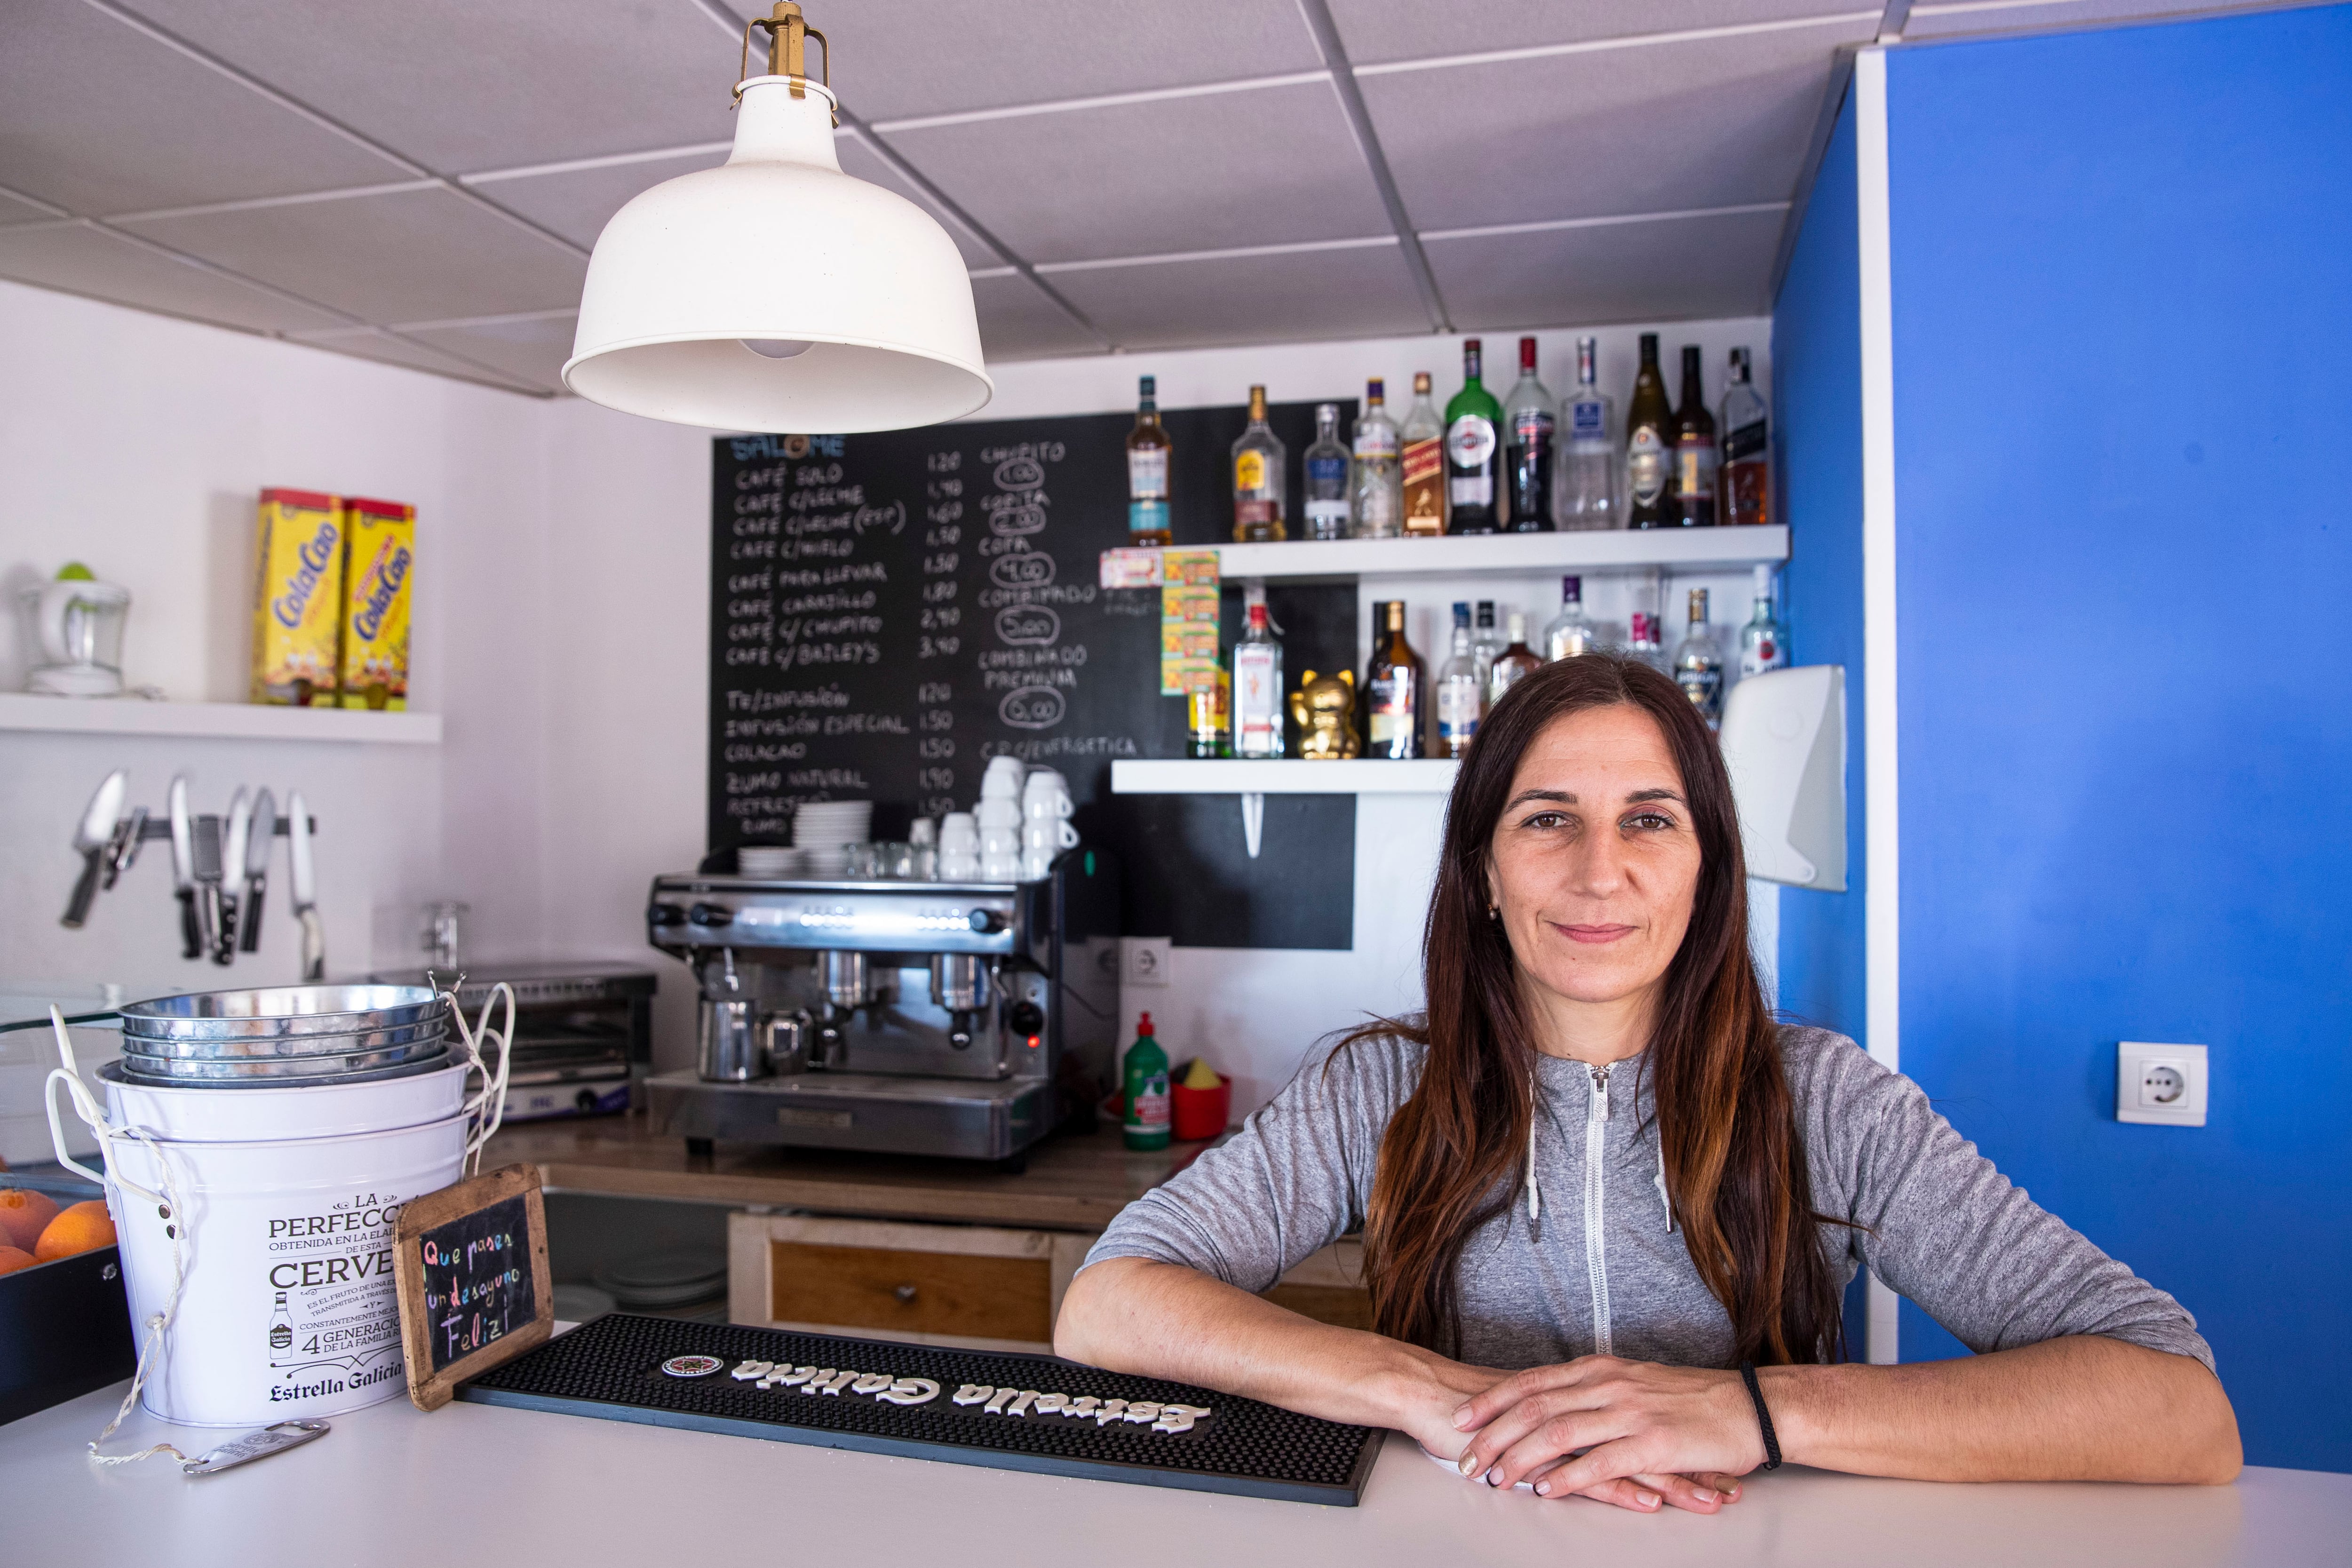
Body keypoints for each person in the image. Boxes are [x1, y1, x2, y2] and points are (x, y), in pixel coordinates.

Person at [1056, 654, 2238, 1512]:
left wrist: (1753, 1412)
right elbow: (1109, 1300)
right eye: (1547, 818)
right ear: (1481, 869)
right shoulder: (1379, 1084)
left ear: (1707, 869)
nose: (1598, 870)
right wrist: (1437, 1392)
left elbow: (2179, 1407)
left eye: (1650, 820)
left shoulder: (1833, 1101)